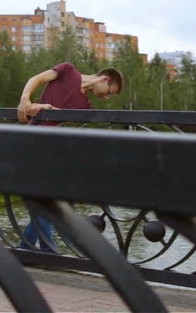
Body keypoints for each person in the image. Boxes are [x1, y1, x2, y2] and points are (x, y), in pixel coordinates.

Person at [16, 62, 123, 251]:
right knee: (47, 199)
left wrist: (48, 109)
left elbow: (63, 120)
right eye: (109, 91)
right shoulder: (68, 70)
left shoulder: (85, 106)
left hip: (51, 149)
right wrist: (26, 101)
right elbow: (36, 79)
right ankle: (39, 249)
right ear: (105, 78)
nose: (106, 97)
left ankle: (31, 248)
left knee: (46, 199)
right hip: (34, 141)